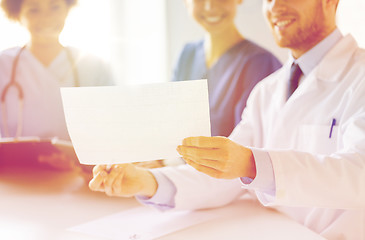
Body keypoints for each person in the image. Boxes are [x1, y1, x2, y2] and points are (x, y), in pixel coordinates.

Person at [89, 0, 365, 239]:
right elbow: (223, 174)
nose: (275, 8)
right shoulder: (267, 90)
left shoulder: (359, 76)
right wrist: (146, 181)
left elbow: (359, 174)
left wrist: (251, 163)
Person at [0, 0, 114, 171]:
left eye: (55, 7)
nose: (46, 18)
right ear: (17, 15)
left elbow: (111, 129)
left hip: (79, 179)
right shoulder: (3, 65)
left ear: (67, 9)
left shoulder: (92, 66)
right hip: (14, 177)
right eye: (34, 10)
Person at [173, 0, 281, 137]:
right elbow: (172, 128)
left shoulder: (260, 63)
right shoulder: (186, 56)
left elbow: (248, 146)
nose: (210, 7)